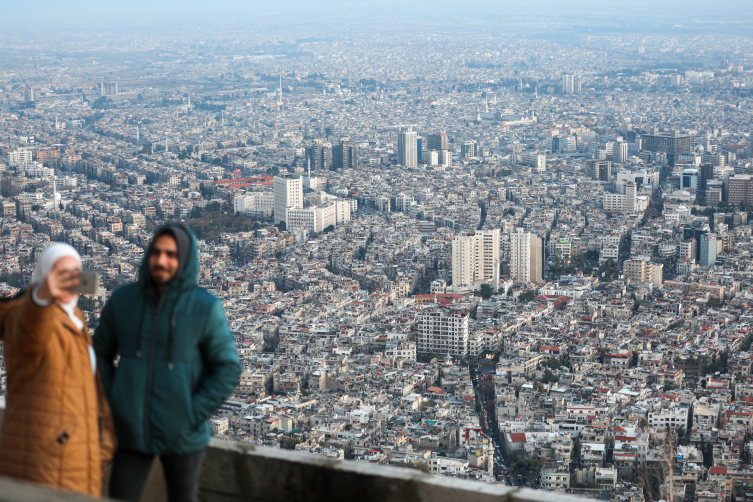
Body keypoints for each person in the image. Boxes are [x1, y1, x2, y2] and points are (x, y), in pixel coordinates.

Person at [94, 224, 240, 502]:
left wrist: (192, 413)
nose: (162, 260)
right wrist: (115, 397)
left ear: (184, 260)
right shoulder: (124, 301)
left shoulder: (204, 308)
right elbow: (98, 352)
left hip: (184, 435)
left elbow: (228, 367)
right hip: (131, 430)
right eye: (157, 252)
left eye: (171, 254)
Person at [0, 243, 115, 497]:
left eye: (75, 273)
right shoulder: (24, 315)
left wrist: (103, 443)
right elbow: (30, 336)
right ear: (44, 275)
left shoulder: (74, 317)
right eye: (60, 273)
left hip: (77, 458)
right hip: (42, 459)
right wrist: (40, 298)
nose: (69, 279)